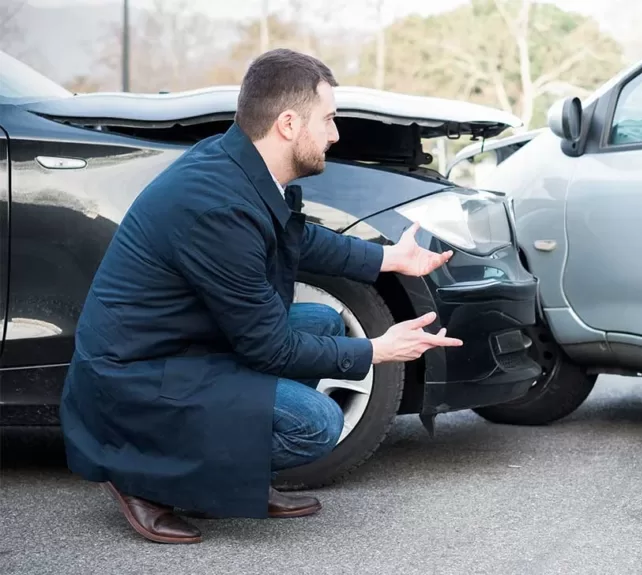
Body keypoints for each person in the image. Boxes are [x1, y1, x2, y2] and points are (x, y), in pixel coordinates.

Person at [59, 48, 463, 545]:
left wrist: (388, 259)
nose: (335, 134)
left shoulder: (238, 164)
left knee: (324, 324)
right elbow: (269, 349)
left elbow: (297, 238)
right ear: (289, 124)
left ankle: (228, 478)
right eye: (329, 119)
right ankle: (144, 477)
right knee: (316, 424)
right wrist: (380, 350)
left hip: (185, 343)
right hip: (137, 378)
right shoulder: (216, 206)